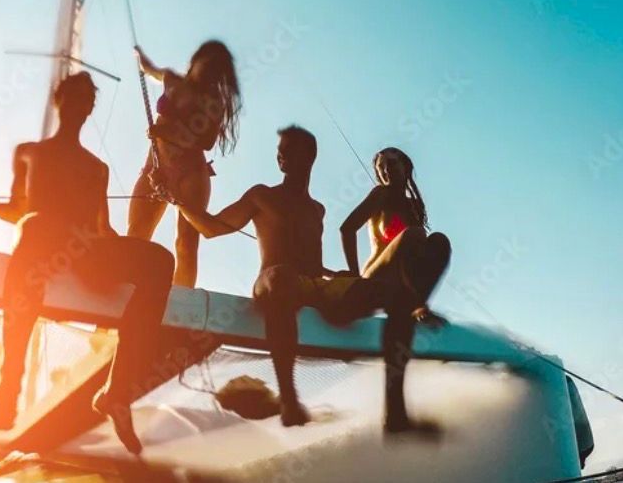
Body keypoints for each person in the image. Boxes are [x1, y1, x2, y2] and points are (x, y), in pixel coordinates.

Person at [175, 128, 450, 436]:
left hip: (315, 286)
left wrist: (342, 276)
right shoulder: (261, 195)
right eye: (279, 151)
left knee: (399, 296)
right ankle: (289, 400)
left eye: (287, 150)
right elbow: (211, 228)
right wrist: (180, 202)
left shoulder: (316, 210)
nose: (280, 156)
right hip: (275, 281)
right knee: (283, 278)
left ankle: (396, 416)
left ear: (309, 157)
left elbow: (314, 267)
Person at [0, 72, 175, 455]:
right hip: (41, 242)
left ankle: (117, 391)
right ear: (59, 99)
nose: (82, 106)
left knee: (159, 260)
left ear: (90, 109)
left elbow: (102, 228)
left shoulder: (97, 168)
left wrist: (130, 251)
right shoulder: (30, 151)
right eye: (75, 97)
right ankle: (11, 380)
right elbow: (19, 211)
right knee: (35, 224)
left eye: (88, 101)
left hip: (85, 250)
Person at [338, 146, 451, 437]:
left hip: (400, 288)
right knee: (415, 235)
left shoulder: (414, 206)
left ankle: (396, 417)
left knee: (438, 240)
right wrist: (353, 276)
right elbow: (347, 229)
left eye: (391, 163)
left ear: (406, 166)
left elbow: (419, 257)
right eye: (380, 167)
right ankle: (417, 305)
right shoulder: (380, 194)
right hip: (374, 279)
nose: (385, 170)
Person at [127, 40, 243, 288]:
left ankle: (181, 306)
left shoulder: (214, 102)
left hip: (191, 175)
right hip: (156, 168)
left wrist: (167, 132)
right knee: (136, 234)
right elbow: (149, 68)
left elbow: (208, 141)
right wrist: (139, 53)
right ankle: (128, 292)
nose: (208, 72)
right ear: (196, 59)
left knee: (186, 245)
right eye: (207, 65)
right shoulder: (171, 79)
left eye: (215, 70)